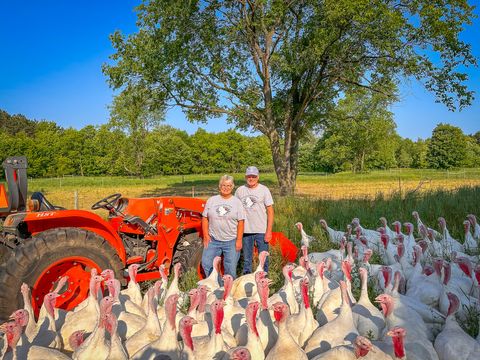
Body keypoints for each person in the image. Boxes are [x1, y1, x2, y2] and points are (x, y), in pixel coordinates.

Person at [201, 174, 245, 279]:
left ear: (232, 187)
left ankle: (229, 292)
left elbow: (241, 222)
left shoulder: (237, 202)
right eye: (224, 185)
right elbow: (204, 218)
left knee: (230, 269)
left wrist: (239, 240)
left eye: (229, 185)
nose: (226, 188)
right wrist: (206, 235)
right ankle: (218, 286)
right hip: (214, 240)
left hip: (231, 241)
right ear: (220, 186)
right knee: (206, 263)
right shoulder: (212, 200)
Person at [235, 166, 274, 274]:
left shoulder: (264, 190)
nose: (251, 178)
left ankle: (264, 283)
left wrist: (269, 231)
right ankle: (247, 284)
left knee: (264, 260)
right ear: (245, 177)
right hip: (246, 231)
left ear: (258, 177)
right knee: (247, 260)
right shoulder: (240, 190)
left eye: (253, 176)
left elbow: (270, 211)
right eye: (249, 176)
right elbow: (235, 210)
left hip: (261, 230)